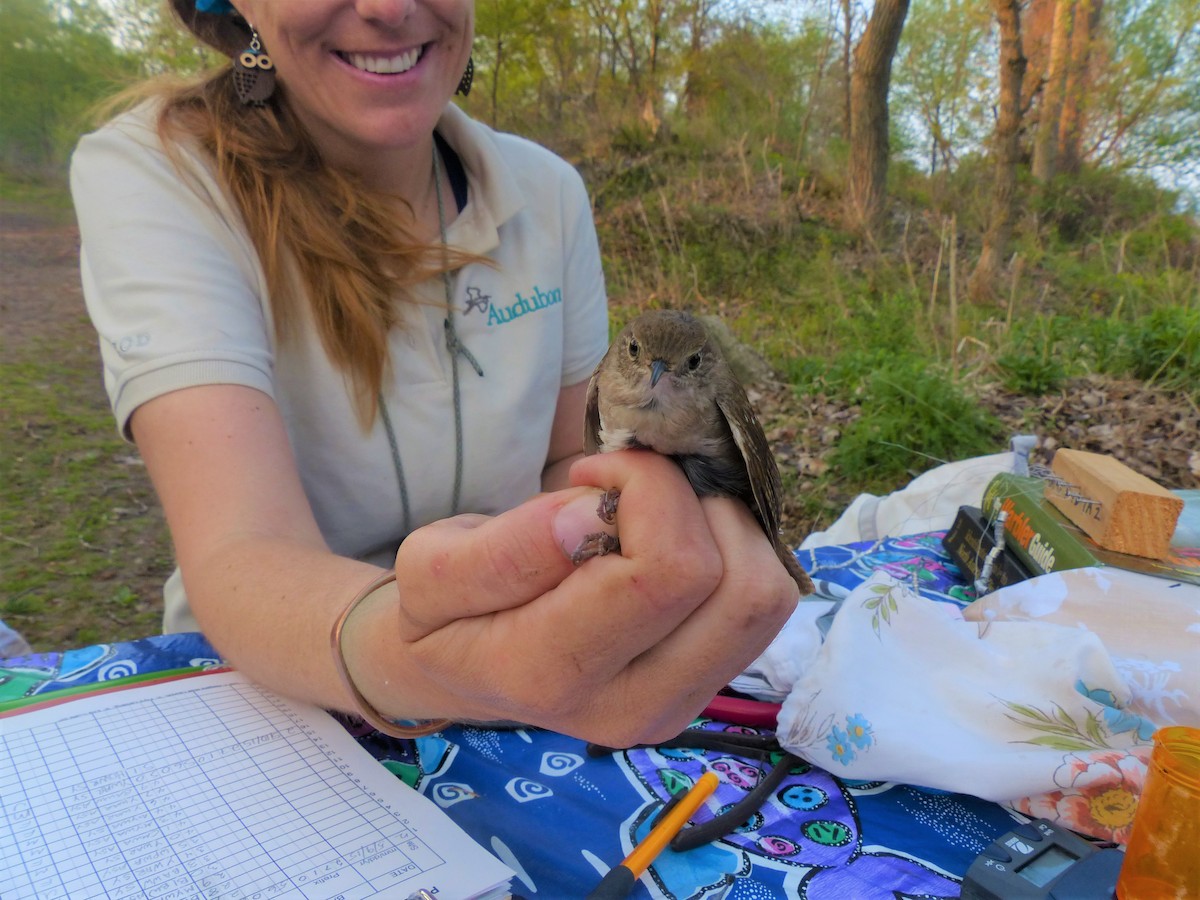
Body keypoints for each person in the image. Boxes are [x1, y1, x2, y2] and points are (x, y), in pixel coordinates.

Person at [70, 0, 799, 746]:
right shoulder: (155, 174)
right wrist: (429, 657)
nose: (388, 7)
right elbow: (238, 550)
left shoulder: (547, 191)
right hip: (264, 699)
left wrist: (642, 533)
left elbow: (569, 458)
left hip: (528, 660)